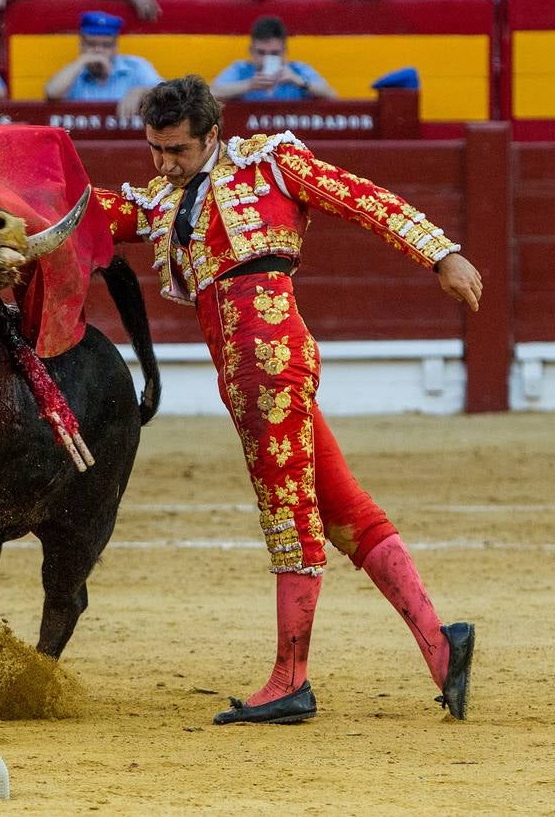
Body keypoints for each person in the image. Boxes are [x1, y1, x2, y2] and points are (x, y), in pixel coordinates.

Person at [91, 75, 480, 725]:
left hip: (268, 360)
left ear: (212, 135)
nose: (164, 163)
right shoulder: (164, 198)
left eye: (177, 150)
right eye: (155, 150)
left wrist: (440, 254)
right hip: (242, 370)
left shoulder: (268, 163)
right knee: (343, 510)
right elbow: (99, 213)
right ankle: (442, 648)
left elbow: (360, 198)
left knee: (287, 510)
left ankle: (290, 678)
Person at [43, 10, 162, 119]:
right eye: (91, 44)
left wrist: (140, 91)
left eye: (106, 45)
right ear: (81, 46)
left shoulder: (136, 66)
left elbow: (165, 91)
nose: (99, 50)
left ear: (115, 47)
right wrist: (81, 61)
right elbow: (52, 93)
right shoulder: (73, 72)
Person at [211, 16, 337, 101]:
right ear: (251, 51)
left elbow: (331, 95)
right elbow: (210, 94)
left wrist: (299, 81)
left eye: (274, 53)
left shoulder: (298, 70)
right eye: (261, 52)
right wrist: (249, 85)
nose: (267, 59)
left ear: (285, 51)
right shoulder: (240, 69)